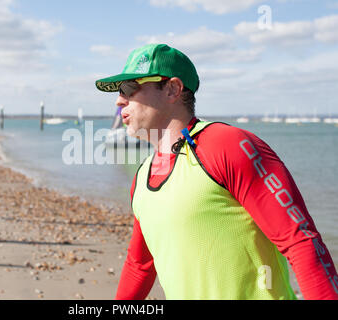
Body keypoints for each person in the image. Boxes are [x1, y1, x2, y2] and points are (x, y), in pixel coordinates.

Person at [95, 43, 338, 300]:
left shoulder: (228, 145)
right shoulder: (142, 177)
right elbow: (139, 265)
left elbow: (300, 241)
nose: (119, 100)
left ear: (172, 89)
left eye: (130, 88)